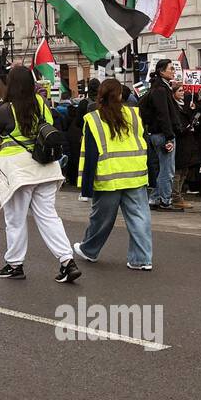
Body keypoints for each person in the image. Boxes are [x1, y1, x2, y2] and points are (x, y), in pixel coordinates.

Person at [0, 65, 80, 283]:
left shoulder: (5, 109)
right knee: (49, 217)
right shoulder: (41, 103)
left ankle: (15, 264)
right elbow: (48, 126)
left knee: (16, 220)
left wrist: (1, 140)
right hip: (45, 166)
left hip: (18, 170)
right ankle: (67, 261)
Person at [72, 77, 152, 269]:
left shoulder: (93, 118)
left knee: (101, 219)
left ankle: (90, 250)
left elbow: (90, 153)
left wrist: (86, 189)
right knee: (139, 218)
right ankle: (142, 259)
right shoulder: (134, 114)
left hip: (108, 177)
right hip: (135, 173)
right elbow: (145, 142)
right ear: (121, 95)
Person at [140, 58, 184, 210]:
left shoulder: (159, 88)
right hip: (162, 135)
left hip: (157, 133)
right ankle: (165, 201)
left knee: (162, 169)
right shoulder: (160, 90)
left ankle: (155, 198)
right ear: (161, 71)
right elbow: (163, 114)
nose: (173, 71)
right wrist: (170, 136)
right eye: (171, 69)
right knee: (167, 170)